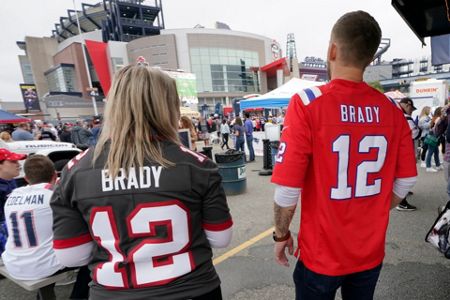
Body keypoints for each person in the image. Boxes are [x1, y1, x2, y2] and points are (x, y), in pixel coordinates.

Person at [51, 65, 233, 300]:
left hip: (113, 292)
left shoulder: (75, 170)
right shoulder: (198, 166)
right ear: (168, 106)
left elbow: (71, 256)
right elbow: (220, 238)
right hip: (191, 289)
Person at [271, 11, 417, 300]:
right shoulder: (391, 110)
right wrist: (376, 208)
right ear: (371, 58)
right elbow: (407, 178)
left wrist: (281, 235)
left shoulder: (307, 103)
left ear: (332, 49)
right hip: (369, 253)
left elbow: (287, 191)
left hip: (321, 255)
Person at [424, 106, 444, 173]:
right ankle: (428, 166)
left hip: (433, 136)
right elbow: (436, 128)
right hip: (434, 136)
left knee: (436, 152)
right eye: (442, 111)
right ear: (439, 112)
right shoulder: (438, 118)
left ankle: (438, 165)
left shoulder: (434, 118)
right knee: (431, 152)